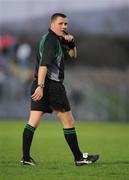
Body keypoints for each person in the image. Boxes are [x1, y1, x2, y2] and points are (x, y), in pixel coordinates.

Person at [21, 13, 99, 166]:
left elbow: (72, 55)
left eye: (66, 24)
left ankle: (25, 158)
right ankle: (79, 158)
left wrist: (71, 43)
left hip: (40, 84)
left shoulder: (56, 39)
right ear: (52, 25)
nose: (64, 26)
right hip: (51, 87)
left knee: (32, 123)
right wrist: (41, 87)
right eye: (61, 23)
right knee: (69, 122)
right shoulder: (51, 41)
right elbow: (44, 66)